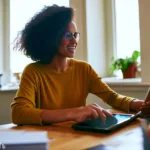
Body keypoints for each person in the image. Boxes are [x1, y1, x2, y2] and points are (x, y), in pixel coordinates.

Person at [11, 5, 149, 126]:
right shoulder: (33, 71)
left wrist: (140, 104)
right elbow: (19, 113)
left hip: (76, 136)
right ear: (51, 38)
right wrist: (73, 112)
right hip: (48, 141)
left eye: (75, 35)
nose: (74, 41)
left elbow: (112, 97)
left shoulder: (84, 69)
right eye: (67, 35)